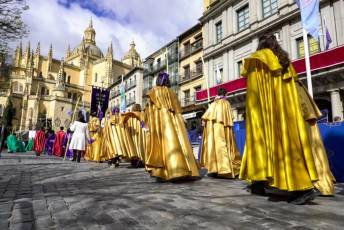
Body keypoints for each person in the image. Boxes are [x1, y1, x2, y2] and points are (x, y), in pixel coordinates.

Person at [239, 33, 319, 205]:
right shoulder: (285, 62)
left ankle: (300, 188)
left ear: (260, 45)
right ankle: (263, 183)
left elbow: (254, 97)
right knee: (288, 144)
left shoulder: (257, 60)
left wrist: (254, 116)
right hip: (287, 111)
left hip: (265, 112)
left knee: (261, 144)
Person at [144, 72, 200, 181]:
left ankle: (166, 171)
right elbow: (178, 110)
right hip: (176, 121)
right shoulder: (173, 93)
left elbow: (149, 108)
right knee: (180, 143)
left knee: (164, 144)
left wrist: (149, 124)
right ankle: (184, 168)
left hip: (162, 121)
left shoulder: (155, 91)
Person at [296, 80, 336, 196]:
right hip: (303, 123)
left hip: (300, 125)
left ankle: (307, 186)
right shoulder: (296, 84)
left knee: (308, 151)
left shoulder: (290, 84)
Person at [200, 87, 241, 178]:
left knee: (215, 148)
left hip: (214, 130)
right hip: (223, 129)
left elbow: (205, 118)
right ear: (225, 94)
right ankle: (225, 170)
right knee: (224, 146)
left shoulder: (214, 104)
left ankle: (215, 169)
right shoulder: (226, 103)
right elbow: (230, 118)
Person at [122, 104, 145, 168]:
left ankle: (135, 161)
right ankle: (141, 160)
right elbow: (144, 123)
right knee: (140, 145)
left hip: (132, 133)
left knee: (133, 146)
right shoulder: (142, 114)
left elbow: (124, 123)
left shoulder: (129, 115)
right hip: (140, 133)